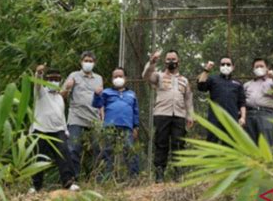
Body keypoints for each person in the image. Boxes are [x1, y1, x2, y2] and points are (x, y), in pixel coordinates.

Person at [142, 49, 194, 183]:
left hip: (179, 116)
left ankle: (178, 174)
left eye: (173, 59)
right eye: (168, 59)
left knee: (178, 144)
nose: (171, 61)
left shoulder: (184, 80)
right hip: (161, 114)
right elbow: (146, 76)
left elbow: (188, 98)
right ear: (165, 61)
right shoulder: (158, 76)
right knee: (161, 143)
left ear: (178, 61)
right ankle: (159, 174)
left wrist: (190, 116)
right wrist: (152, 62)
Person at [29, 65, 79, 193]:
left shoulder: (59, 97)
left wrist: (65, 129)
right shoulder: (41, 93)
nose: (54, 81)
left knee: (64, 156)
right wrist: (38, 73)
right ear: (46, 79)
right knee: (38, 158)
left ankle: (68, 182)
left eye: (57, 79)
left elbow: (60, 114)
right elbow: (37, 85)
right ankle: (36, 186)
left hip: (58, 131)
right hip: (41, 130)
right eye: (51, 79)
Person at [92, 67, 140, 180]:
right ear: (112, 79)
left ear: (125, 78)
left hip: (127, 127)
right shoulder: (106, 92)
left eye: (120, 76)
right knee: (108, 151)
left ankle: (134, 178)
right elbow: (97, 105)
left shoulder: (132, 94)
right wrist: (96, 95)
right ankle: (106, 179)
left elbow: (135, 111)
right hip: (110, 126)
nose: (118, 78)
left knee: (130, 151)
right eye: (115, 76)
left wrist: (136, 127)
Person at [62, 51, 103, 178]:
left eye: (90, 61)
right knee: (73, 148)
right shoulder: (73, 75)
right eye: (86, 61)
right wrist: (68, 87)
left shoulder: (99, 78)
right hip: (76, 117)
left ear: (94, 63)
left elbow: (100, 99)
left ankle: (99, 179)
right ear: (81, 62)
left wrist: (102, 116)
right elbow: (62, 96)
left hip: (94, 118)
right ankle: (73, 179)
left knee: (99, 149)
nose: (88, 63)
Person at [197, 57, 246, 143]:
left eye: (228, 64)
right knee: (212, 143)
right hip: (215, 118)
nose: (225, 66)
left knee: (231, 144)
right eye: (223, 64)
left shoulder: (238, 83)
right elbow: (201, 86)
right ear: (219, 66)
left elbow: (242, 103)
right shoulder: (213, 79)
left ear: (233, 67)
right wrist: (206, 70)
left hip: (231, 119)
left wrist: (242, 117)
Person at [243, 58, 273, 147]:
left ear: (267, 68)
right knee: (250, 142)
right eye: (256, 67)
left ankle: (267, 160)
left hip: (265, 113)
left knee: (266, 141)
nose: (259, 68)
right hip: (249, 114)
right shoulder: (247, 84)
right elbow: (241, 100)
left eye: (261, 66)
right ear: (253, 69)